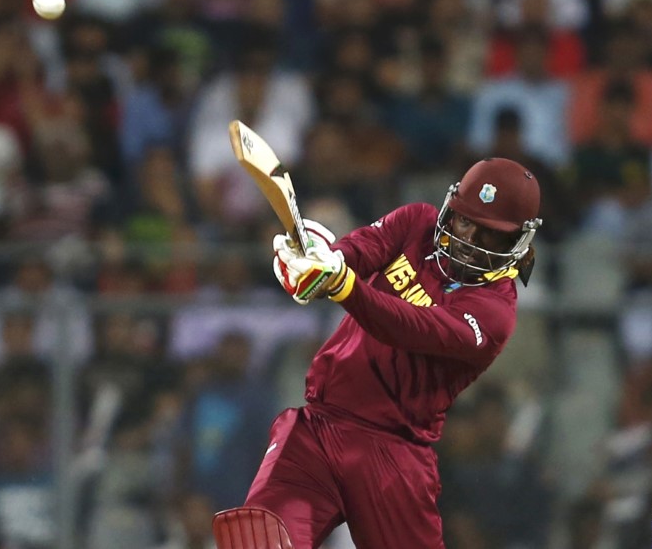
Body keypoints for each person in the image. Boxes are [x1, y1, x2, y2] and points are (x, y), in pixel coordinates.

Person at [212, 158, 542, 549]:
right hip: (318, 428)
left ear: (518, 243)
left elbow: (410, 327)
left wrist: (343, 285)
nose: (470, 241)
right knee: (258, 542)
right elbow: (359, 250)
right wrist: (318, 262)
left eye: (490, 235)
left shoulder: (494, 312)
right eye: (466, 221)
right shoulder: (418, 222)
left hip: (395, 458)